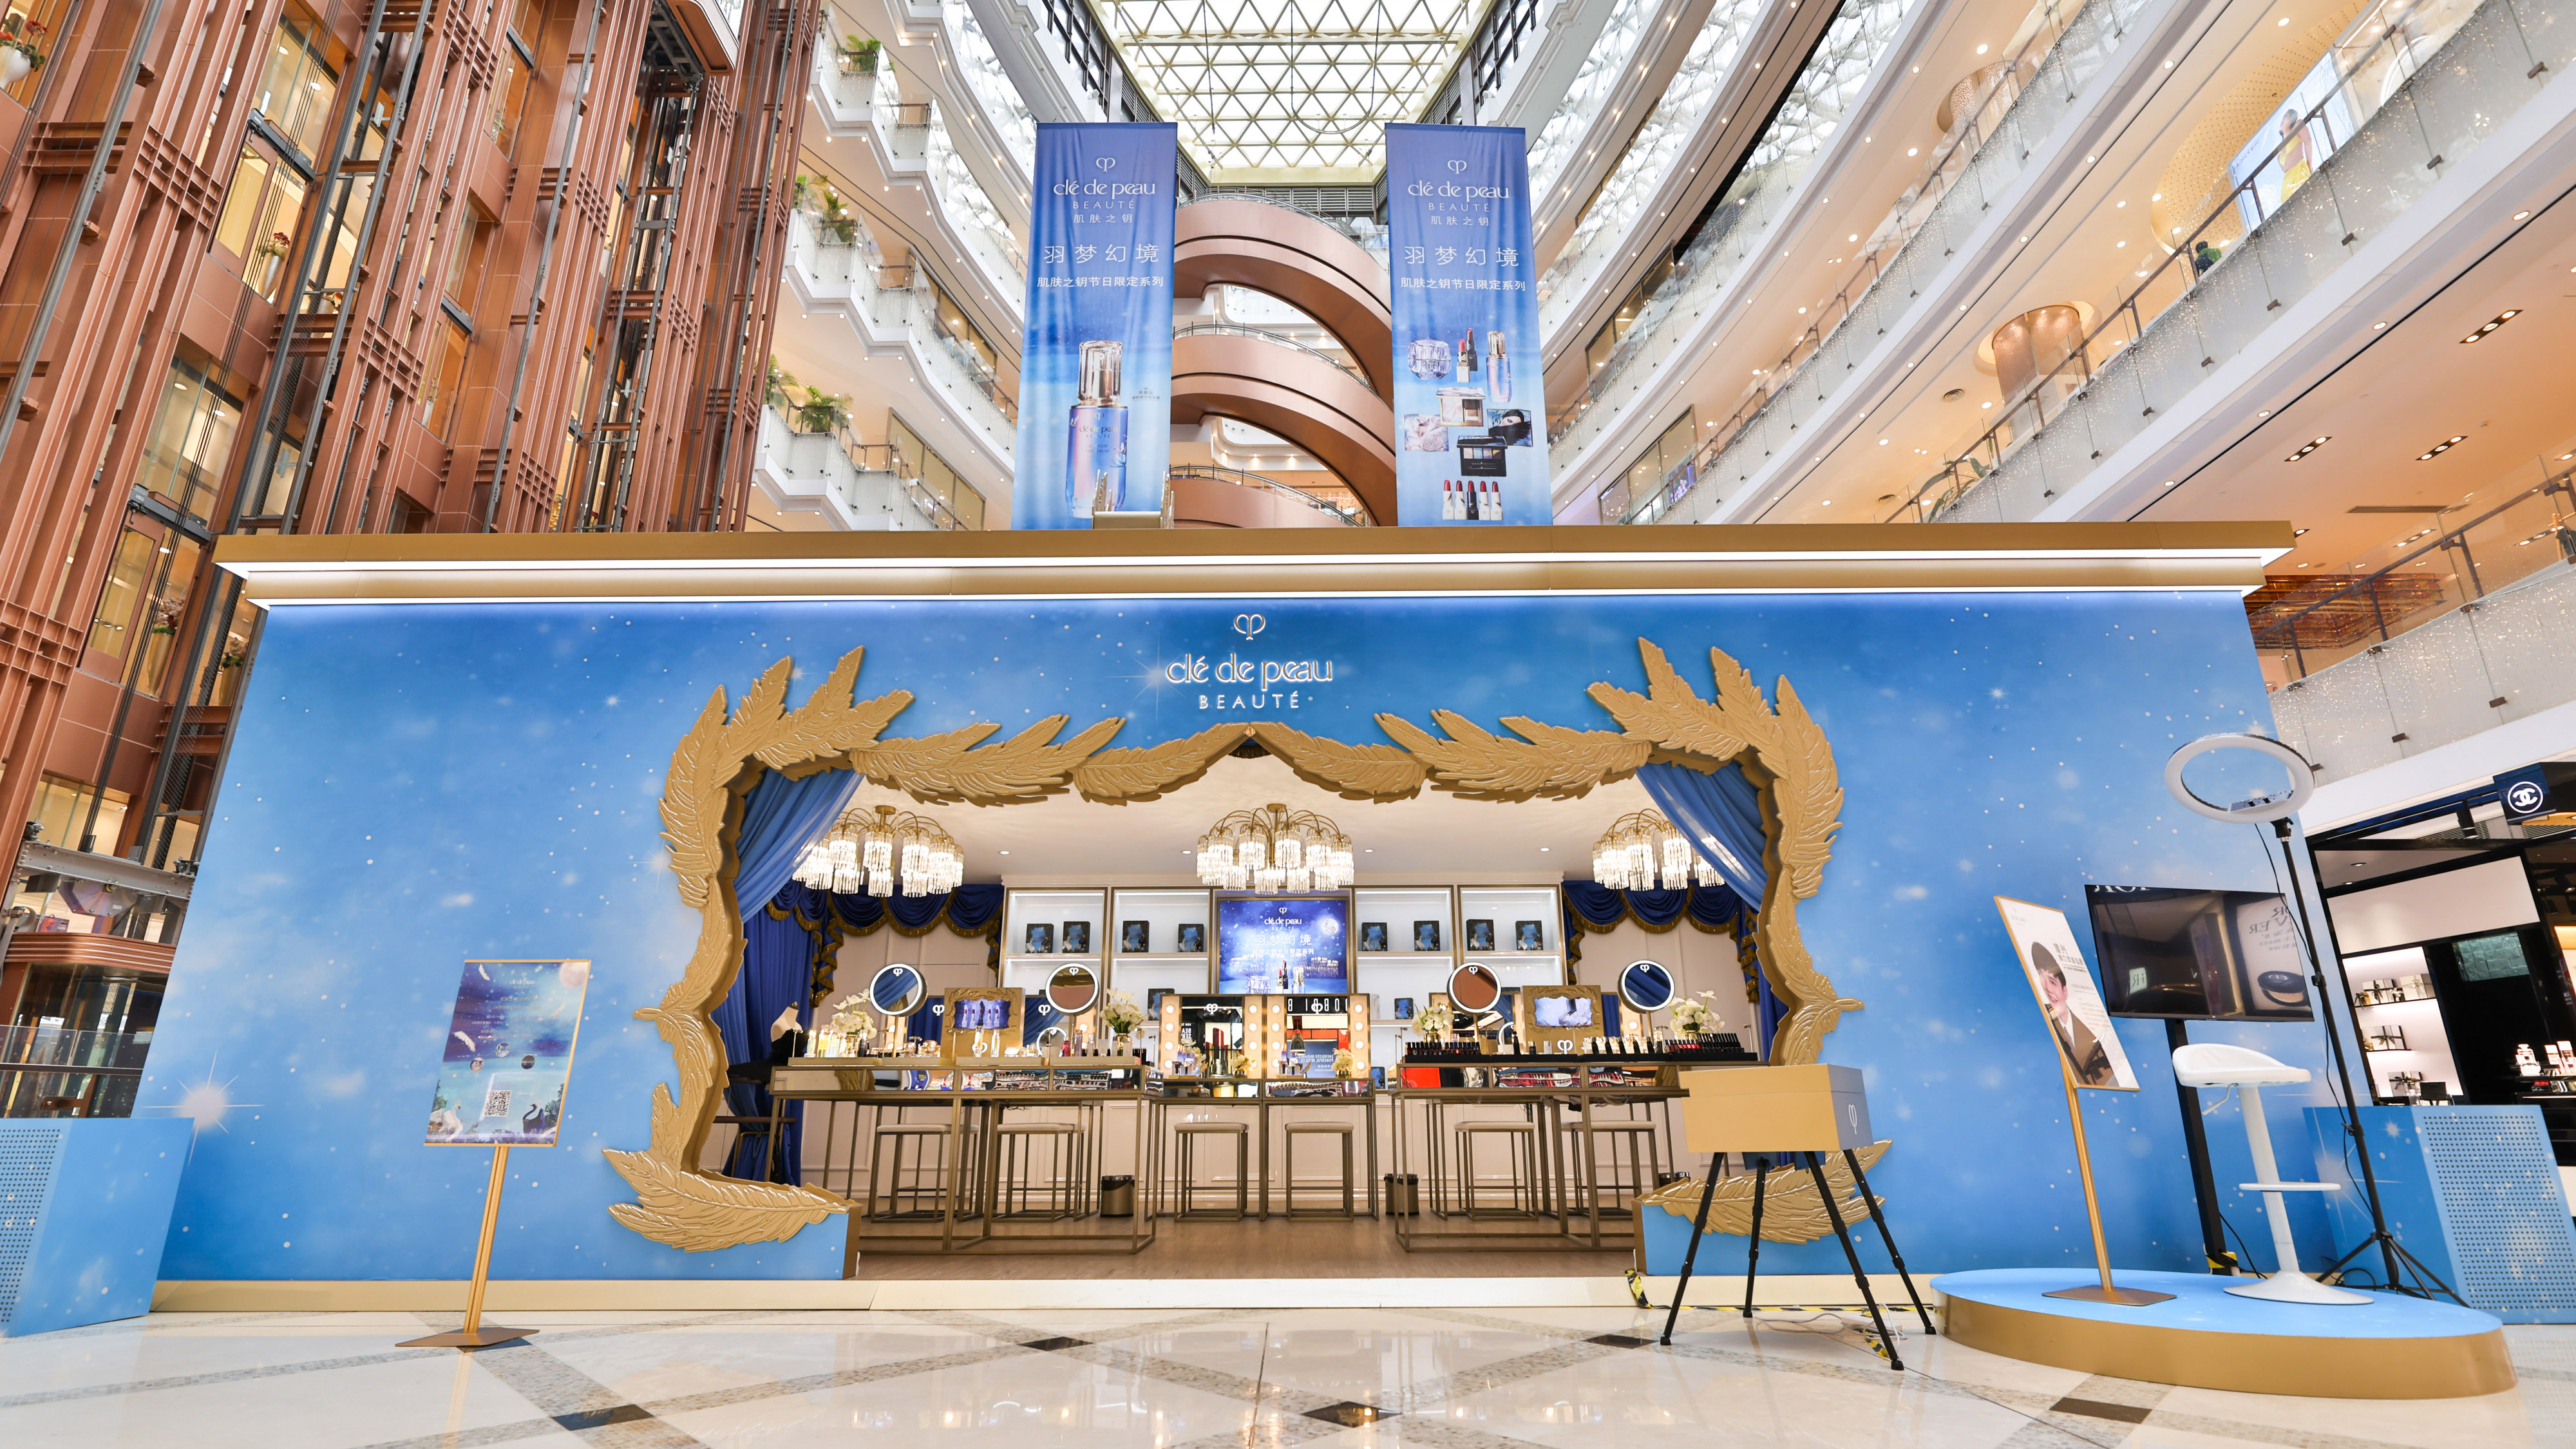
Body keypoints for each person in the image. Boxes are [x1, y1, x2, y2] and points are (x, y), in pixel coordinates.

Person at [2030, 943, 2117, 1086]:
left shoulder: (2094, 1030)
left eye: (2052, 982)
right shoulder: (2044, 1029)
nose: (2048, 989)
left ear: (2065, 991)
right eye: (2042, 979)